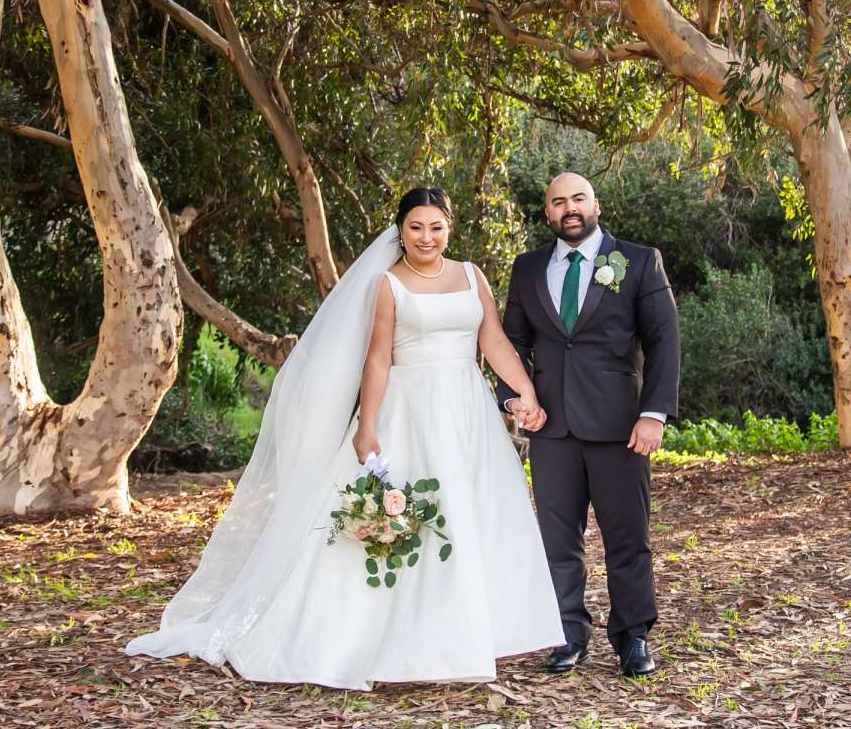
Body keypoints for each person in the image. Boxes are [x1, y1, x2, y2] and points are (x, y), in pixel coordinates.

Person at [126, 188, 564, 688]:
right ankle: (390, 640)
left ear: (449, 227)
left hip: (467, 409)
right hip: (411, 410)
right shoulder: (388, 284)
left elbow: (493, 341)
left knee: (470, 512)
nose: (426, 236)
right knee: (414, 518)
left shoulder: (471, 276)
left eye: (436, 226)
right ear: (400, 230)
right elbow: (377, 358)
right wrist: (368, 424)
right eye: (416, 227)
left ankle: (465, 635)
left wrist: (525, 389)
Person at [500, 171, 681, 677]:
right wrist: (516, 399)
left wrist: (653, 412)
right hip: (550, 428)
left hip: (621, 426)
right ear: (548, 213)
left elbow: (664, 339)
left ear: (595, 203)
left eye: (578, 198)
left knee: (627, 536)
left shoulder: (639, 262)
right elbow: (512, 340)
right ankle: (567, 632)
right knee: (557, 538)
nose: (569, 208)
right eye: (559, 202)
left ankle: (633, 637)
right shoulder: (528, 267)